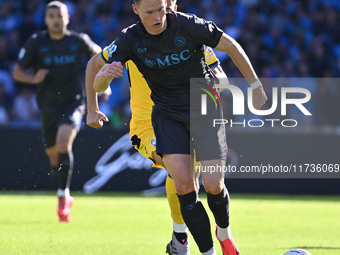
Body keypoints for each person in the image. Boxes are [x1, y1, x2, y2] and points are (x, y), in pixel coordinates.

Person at [86, 0, 267, 254]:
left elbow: (227, 57)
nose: (160, 15)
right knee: (183, 182)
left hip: (203, 110)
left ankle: (220, 232)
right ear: (136, 10)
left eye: (163, 8)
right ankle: (200, 248)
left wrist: (254, 86)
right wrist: (103, 82)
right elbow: (96, 74)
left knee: (213, 184)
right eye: (152, 11)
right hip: (163, 118)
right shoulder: (129, 39)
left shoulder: (189, 25)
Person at [12, 1, 101, 222]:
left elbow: (99, 54)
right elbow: (17, 71)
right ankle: (62, 194)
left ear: (67, 18)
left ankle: (63, 196)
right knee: (53, 155)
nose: (55, 20)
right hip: (47, 105)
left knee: (63, 144)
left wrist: (103, 81)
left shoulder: (77, 40)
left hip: (73, 102)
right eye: (51, 16)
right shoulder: (36, 43)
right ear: (45, 19)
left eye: (59, 16)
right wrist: (33, 78)